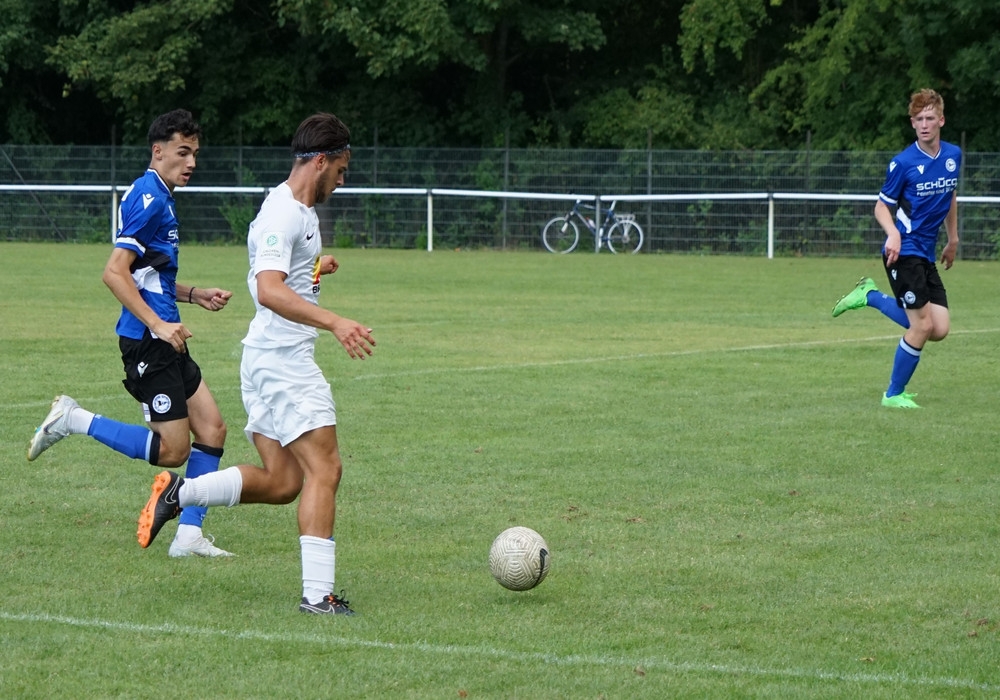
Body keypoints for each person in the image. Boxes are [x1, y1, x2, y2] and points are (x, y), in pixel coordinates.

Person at [136, 112, 376, 615]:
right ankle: (318, 596)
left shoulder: (298, 211)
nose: (343, 180)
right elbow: (268, 290)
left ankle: (182, 493)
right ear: (320, 161)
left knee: (284, 482)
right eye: (341, 170)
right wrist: (335, 322)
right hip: (284, 363)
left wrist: (314, 267)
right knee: (326, 468)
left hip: (267, 360)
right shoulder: (283, 213)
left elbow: (278, 274)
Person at [27, 109, 235, 557]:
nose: (191, 162)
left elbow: (146, 275)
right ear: (157, 151)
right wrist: (157, 324)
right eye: (183, 152)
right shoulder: (149, 197)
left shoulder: (161, 196)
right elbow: (114, 272)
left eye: (195, 153)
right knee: (173, 451)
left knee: (213, 429)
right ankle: (73, 419)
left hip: (167, 337)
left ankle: (188, 537)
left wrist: (194, 294)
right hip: (148, 341)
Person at [832, 88, 960, 409]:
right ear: (912, 123)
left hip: (925, 253)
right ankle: (892, 394)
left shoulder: (953, 156)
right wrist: (893, 234)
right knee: (922, 325)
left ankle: (870, 296)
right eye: (918, 119)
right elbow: (881, 207)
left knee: (939, 328)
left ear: (941, 120)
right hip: (901, 253)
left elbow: (950, 196)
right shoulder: (902, 163)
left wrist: (953, 239)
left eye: (930, 118)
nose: (924, 124)